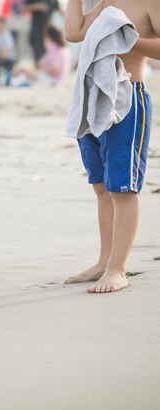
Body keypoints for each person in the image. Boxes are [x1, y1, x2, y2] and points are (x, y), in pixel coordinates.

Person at [63, 0, 159, 293]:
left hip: (128, 98)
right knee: (102, 186)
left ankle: (118, 269)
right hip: (94, 99)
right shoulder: (106, 1)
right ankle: (104, 261)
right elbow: (73, 31)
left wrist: (128, 38)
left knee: (123, 187)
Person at [22, 0, 60, 66]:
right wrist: (37, 6)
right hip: (36, 31)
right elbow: (23, 8)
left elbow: (58, 9)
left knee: (48, 55)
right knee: (38, 56)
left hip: (48, 32)